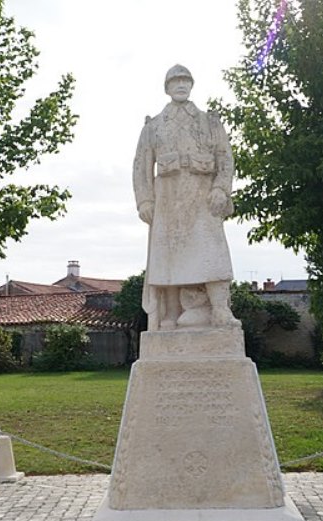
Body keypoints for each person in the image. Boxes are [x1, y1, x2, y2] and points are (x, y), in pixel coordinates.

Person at [133, 64, 240, 331]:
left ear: (192, 85)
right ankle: (170, 313)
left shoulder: (209, 122)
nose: (181, 85)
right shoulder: (154, 126)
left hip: (203, 194)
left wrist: (221, 189)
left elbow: (225, 158)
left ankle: (219, 309)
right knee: (170, 255)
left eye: (185, 81)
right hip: (168, 197)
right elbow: (140, 166)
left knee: (212, 251)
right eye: (175, 81)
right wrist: (145, 200)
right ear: (167, 87)